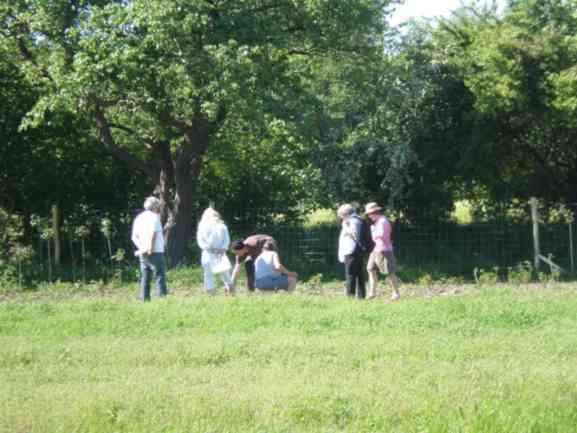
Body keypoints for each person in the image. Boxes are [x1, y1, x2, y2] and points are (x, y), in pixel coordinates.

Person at [131, 196, 168, 302]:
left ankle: (144, 299)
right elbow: (153, 233)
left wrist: (142, 247)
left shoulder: (139, 218)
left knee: (145, 277)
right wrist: (150, 248)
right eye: (158, 206)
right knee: (159, 276)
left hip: (142, 252)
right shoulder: (154, 217)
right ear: (155, 206)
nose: (159, 208)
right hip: (155, 251)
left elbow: (134, 236)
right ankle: (162, 300)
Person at [364, 202, 401, 300]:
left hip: (384, 250)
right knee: (370, 268)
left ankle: (396, 293)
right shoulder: (377, 222)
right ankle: (372, 293)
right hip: (376, 249)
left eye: (369, 214)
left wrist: (372, 231)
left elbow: (382, 236)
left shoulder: (383, 221)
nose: (368, 216)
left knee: (390, 272)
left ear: (375, 212)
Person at [196, 207, 235, 296]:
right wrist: (223, 249)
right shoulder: (222, 226)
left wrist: (210, 248)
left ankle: (211, 294)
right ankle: (231, 292)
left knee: (208, 275)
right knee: (225, 273)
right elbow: (226, 240)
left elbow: (200, 241)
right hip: (220, 253)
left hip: (208, 253)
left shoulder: (202, 226)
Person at [337, 204, 366, 299]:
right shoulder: (359, 219)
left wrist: (346, 227)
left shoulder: (352, 221)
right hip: (358, 250)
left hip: (351, 251)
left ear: (345, 214)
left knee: (350, 274)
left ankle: (350, 297)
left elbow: (354, 233)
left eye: (341, 216)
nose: (341, 218)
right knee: (359, 274)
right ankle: (361, 297)